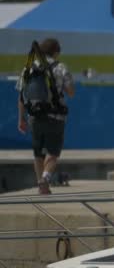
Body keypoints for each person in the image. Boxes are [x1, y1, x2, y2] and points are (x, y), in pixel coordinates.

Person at [16, 38, 75, 195]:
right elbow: (71, 92)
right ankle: (45, 178)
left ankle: (41, 187)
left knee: (38, 153)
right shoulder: (60, 67)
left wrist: (21, 119)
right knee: (53, 152)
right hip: (55, 117)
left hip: (34, 117)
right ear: (55, 52)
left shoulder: (27, 68)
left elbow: (22, 97)